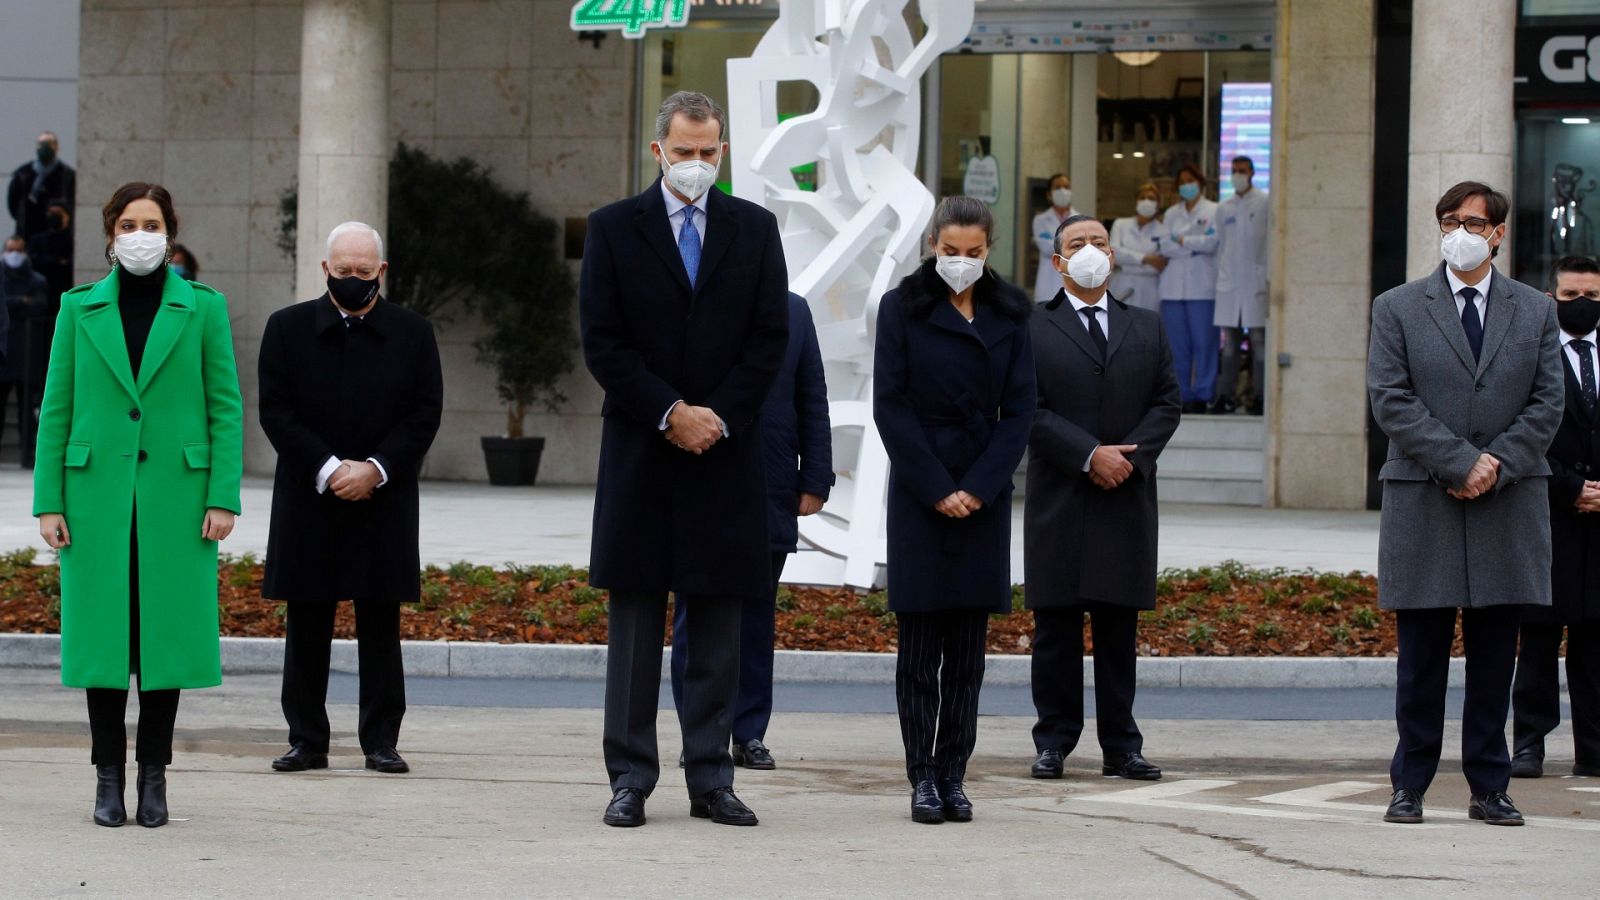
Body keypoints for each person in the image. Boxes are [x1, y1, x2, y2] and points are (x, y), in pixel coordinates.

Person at [580, 91, 788, 829]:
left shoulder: (755, 230)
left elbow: (770, 340)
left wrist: (715, 417)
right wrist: (671, 412)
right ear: (657, 149)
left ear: (722, 152)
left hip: (724, 454)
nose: (696, 164)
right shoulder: (613, 229)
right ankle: (630, 777)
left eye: (709, 152)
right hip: (644, 447)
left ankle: (712, 776)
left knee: (719, 627)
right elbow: (603, 342)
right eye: (684, 151)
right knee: (635, 624)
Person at [32, 182, 244, 828]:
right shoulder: (78, 310)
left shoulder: (203, 309)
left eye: (151, 222)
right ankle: (107, 776)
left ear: (171, 233)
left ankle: (154, 775)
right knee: (103, 644)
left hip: (176, 501)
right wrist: (49, 502)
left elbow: (225, 408)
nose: (140, 233)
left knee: (164, 643)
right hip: (94, 499)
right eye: (128, 223)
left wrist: (222, 495)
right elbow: (57, 409)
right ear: (110, 233)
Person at [1368, 180, 1563, 826]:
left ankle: (1490, 785)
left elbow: (1547, 404)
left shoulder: (1535, 310)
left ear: (1498, 234)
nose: (1461, 232)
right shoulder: (1397, 307)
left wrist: (1495, 466)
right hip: (1426, 498)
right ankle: (1410, 784)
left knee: (1492, 661)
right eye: (1450, 220)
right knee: (1419, 661)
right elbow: (1390, 398)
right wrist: (1458, 462)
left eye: (1474, 223)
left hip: (1505, 504)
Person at [259, 221, 443, 778]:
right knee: (307, 620)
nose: (354, 281)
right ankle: (306, 739)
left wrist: (376, 469)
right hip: (309, 494)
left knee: (380, 622)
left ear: (381, 272)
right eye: (344, 272)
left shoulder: (413, 333)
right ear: (325, 270)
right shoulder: (287, 329)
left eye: (365, 272)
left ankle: (381, 740)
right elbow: (276, 411)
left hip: (382, 498)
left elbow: (424, 413)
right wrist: (330, 467)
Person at [874, 195, 1036, 824]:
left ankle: (955, 773)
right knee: (919, 650)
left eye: (973, 253)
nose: (961, 263)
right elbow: (891, 404)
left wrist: (981, 485)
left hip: (984, 493)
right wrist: (937, 485)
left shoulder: (1011, 313)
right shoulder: (901, 308)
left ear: (988, 249)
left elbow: (1021, 409)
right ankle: (921, 777)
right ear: (931, 245)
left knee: (968, 655)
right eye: (950, 252)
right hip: (922, 493)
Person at [1024, 214, 1181, 783]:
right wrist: (1090, 453)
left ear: (1112, 256)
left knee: (1119, 629)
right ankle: (1054, 740)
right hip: (1061, 496)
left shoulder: (1148, 326)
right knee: (1056, 630)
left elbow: (1167, 402)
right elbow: (1027, 409)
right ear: (1058, 260)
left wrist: (1129, 460)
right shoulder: (1032, 327)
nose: (1090, 250)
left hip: (1126, 496)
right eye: (1076, 244)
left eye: (1099, 242)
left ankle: (1122, 744)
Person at [670, 291, 832, 771]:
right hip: (703, 481)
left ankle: (748, 732)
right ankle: (699, 735)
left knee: (757, 618)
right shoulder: (695, 305)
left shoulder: (793, 311)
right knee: (694, 616)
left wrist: (815, 478)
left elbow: (811, 395)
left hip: (771, 482)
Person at [1511, 254, 1600, 780]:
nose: (1583, 306)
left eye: (1591, 296)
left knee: (1595, 645)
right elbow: (1525, 432)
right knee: (1539, 641)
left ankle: (1593, 748)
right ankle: (1529, 745)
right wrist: (1571, 487)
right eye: (1572, 297)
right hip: (1548, 520)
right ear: (1551, 299)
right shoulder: (1533, 359)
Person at [1158, 164, 1220, 414]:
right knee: (1177, 347)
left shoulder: (1214, 210)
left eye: (1190, 180)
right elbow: (1164, 246)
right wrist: (1193, 243)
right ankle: (1182, 394)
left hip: (1202, 288)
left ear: (1200, 182)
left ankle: (1204, 394)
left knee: (1205, 343)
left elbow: (1212, 242)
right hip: (1173, 289)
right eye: (1181, 181)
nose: (1186, 184)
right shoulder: (1172, 213)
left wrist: (1182, 240)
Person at [1213, 156, 1270, 415]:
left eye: (1242, 171)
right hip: (1230, 285)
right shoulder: (1224, 208)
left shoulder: (1265, 202)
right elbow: (1222, 245)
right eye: (1234, 171)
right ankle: (1226, 396)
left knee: (1259, 346)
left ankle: (1259, 397)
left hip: (1255, 283)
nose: (1238, 175)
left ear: (1252, 173)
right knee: (1230, 347)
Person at [2, 235, 49, 462]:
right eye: (10, 249)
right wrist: (23, 301)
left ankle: (28, 454)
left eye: (18, 250)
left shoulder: (37, 280)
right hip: (6, 350)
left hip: (27, 352)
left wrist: (12, 303)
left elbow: (39, 306)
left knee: (27, 406)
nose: (14, 255)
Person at [1108, 183, 1167, 313]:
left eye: (1151, 199)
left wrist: (1127, 261)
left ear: (1158, 204)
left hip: (1150, 289)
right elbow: (1114, 253)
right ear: (1136, 202)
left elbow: (1160, 264)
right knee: (1119, 328)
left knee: (1146, 329)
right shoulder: (1121, 224)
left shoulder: (1164, 230)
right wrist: (1146, 258)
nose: (1146, 201)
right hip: (1122, 285)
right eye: (1142, 197)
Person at [1031, 174, 1088, 303]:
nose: (1063, 191)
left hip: (1074, 285)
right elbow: (1046, 248)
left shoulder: (1081, 220)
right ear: (1049, 194)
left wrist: (1062, 244)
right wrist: (1073, 244)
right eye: (1057, 187)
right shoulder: (1040, 220)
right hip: (1048, 287)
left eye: (1066, 187)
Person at [8, 132, 75, 240]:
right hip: (27, 233)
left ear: (57, 147)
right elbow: (13, 204)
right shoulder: (22, 174)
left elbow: (73, 203)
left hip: (57, 235)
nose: (45, 147)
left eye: (49, 143)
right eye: (41, 144)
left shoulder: (67, 175)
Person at [27, 203, 73, 300]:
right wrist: (56, 261)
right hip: (44, 288)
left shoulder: (73, 239)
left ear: (67, 216)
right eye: (51, 212)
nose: (54, 216)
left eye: (58, 213)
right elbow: (33, 259)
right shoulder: (37, 239)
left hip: (65, 285)